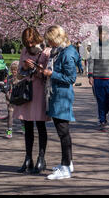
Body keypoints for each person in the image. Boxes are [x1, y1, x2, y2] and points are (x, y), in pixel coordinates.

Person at [40, 26, 78, 180]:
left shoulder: (66, 54)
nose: (47, 42)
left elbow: (71, 78)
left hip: (62, 96)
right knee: (63, 132)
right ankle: (68, 163)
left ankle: (65, 167)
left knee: (63, 133)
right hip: (58, 95)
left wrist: (51, 73)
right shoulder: (63, 50)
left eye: (49, 39)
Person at [14, 27, 51, 174]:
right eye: (26, 42)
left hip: (39, 91)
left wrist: (36, 69)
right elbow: (18, 75)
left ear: (36, 38)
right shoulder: (24, 51)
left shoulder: (46, 51)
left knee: (40, 126)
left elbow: (47, 74)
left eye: (31, 42)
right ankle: (28, 158)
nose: (29, 45)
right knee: (27, 126)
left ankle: (41, 158)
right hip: (26, 92)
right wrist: (23, 67)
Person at [5, 61, 21, 139]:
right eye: (12, 70)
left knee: (22, 116)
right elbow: (7, 89)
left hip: (19, 98)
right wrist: (7, 96)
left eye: (16, 70)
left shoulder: (21, 77)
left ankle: (24, 127)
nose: (14, 71)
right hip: (11, 98)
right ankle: (9, 131)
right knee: (10, 115)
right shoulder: (9, 78)